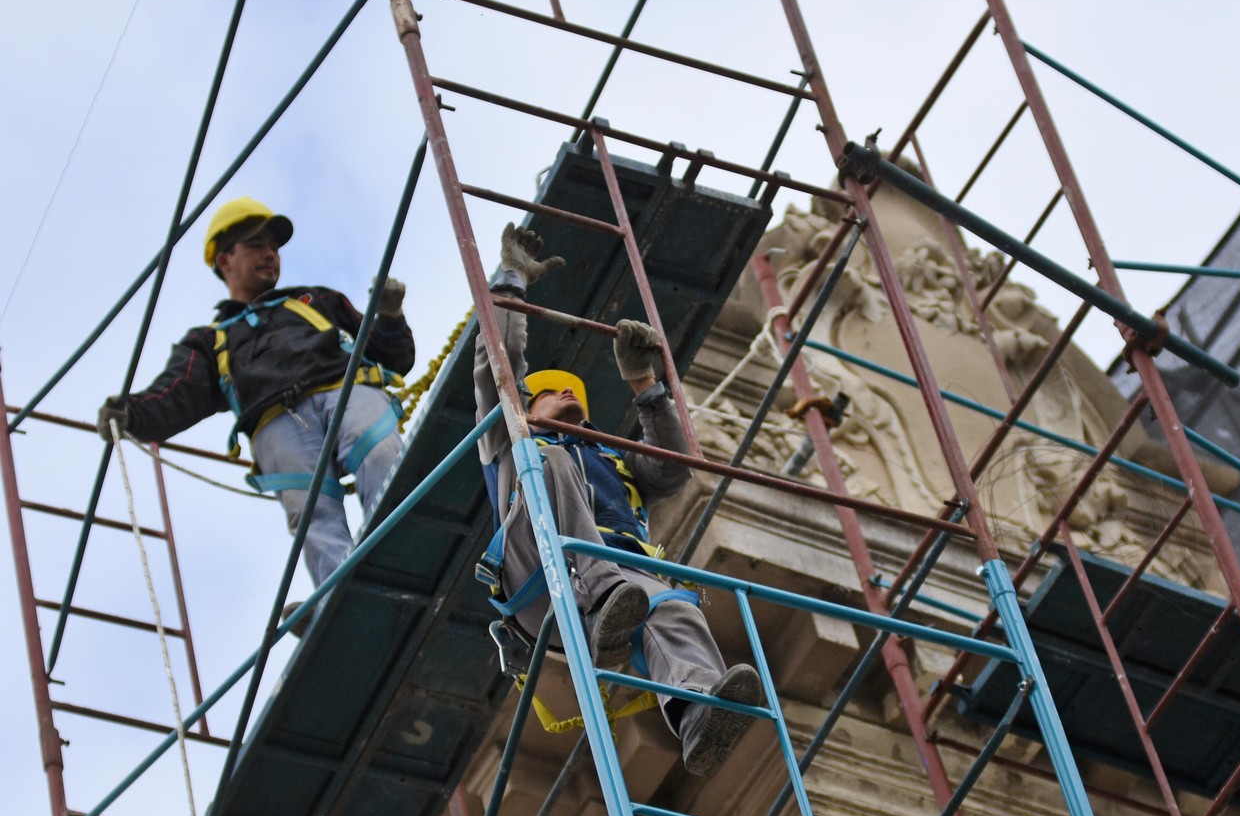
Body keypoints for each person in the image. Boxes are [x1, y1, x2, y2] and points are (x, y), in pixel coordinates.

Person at [474, 222, 761, 776]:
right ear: (525, 407)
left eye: (573, 391)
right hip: (540, 578)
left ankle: (700, 712)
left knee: (674, 604)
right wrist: (509, 283)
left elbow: (673, 468)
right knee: (546, 462)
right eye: (548, 392)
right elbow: (497, 362)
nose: (563, 393)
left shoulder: (614, 466)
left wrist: (644, 384)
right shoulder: (511, 444)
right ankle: (608, 597)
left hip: (616, 589)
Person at [97, 196, 415, 585]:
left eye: (273, 247)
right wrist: (130, 414)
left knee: (379, 451)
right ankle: (338, 592)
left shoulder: (313, 301)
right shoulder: (211, 342)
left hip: (343, 390)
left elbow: (392, 356)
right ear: (225, 261)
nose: (270, 254)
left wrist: (389, 317)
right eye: (256, 246)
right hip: (276, 422)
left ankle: (406, 544)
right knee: (311, 513)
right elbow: (175, 395)